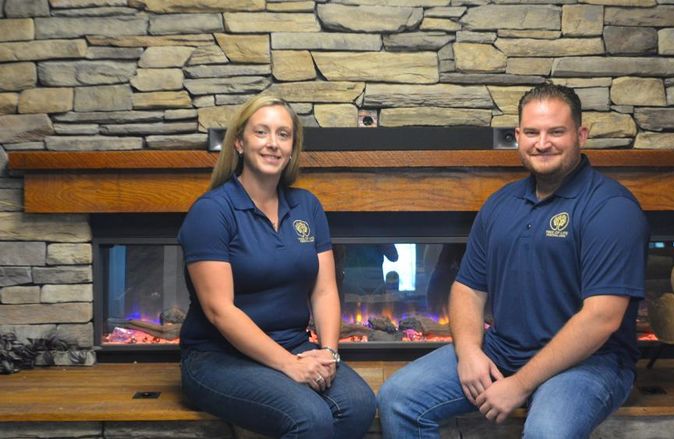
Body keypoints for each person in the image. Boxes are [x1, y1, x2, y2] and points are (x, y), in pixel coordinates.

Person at [378, 84, 649, 438]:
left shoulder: (611, 209)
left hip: (590, 364)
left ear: (581, 135)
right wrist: (471, 352)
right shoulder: (500, 204)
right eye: (532, 132)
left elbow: (602, 318)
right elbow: (467, 288)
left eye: (557, 132)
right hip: (502, 350)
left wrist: (520, 384)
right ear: (518, 136)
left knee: (546, 433)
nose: (542, 143)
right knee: (398, 398)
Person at [177, 95, 376, 438]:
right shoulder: (211, 211)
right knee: (309, 417)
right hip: (216, 358)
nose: (273, 144)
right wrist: (290, 365)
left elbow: (325, 289)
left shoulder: (306, 206)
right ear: (239, 142)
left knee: (359, 405)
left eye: (283, 135)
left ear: (292, 147)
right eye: (262, 132)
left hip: (294, 344)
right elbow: (219, 310)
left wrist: (328, 353)